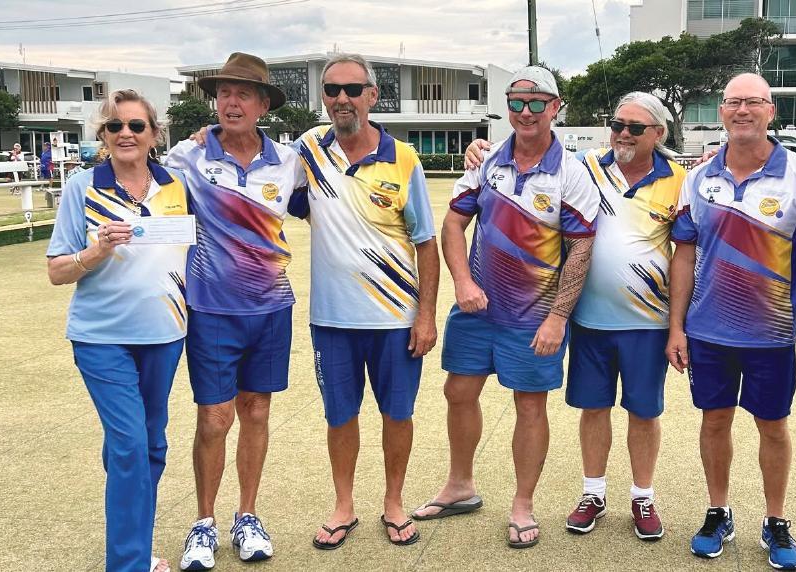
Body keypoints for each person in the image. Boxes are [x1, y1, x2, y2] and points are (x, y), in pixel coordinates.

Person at [461, 91, 686, 540]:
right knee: (594, 408)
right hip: (588, 318)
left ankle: (643, 496)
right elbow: (534, 148)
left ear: (659, 133)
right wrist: (480, 148)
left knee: (644, 412)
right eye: (617, 124)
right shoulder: (586, 166)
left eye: (635, 128)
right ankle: (593, 493)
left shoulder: (681, 180)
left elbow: (685, 253)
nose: (622, 134)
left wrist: (678, 326)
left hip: (648, 322)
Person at [412, 66, 599, 549]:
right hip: (477, 311)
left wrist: (557, 317)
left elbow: (581, 248)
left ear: (555, 107)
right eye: (516, 101)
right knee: (458, 391)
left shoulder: (571, 172)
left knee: (530, 405)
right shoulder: (488, 158)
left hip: (534, 316)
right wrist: (462, 281)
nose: (525, 111)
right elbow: (454, 224)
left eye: (537, 102)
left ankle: (522, 504)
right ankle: (460, 485)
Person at [286, 53, 440, 550]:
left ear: (373, 96)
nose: (342, 99)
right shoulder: (308, 149)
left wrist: (426, 315)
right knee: (340, 416)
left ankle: (394, 503)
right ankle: (343, 506)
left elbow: (426, 243)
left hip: (395, 318)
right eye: (332, 90)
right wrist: (205, 138)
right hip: (332, 319)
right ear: (323, 97)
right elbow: (270, 180)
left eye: (353, 89)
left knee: (397, 414)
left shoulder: (404, 158)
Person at [665, 73, 796, 570]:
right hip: (708, 331)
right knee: (715, 420)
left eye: (753, 102)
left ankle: (776, 519)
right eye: (733, 102)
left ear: (771, 110)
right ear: (722, 112)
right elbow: (684, 255)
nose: (742, 110)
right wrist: (677, 327)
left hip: (772, 333)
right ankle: (718, 512)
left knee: (773, 425)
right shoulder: (698, 178)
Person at [164, 52, 307, 571]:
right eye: (224, 93)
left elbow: (327, 196)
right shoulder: (187, 156)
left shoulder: (289, 162)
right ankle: (203, 523)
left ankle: (247, 516)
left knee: (257, 411)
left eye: (243, 93)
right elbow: (148, 197)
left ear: (263, 104)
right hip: (211, 310)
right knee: (214, 418)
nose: (231, 102)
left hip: (270, 309)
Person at [46, 89, 191, 572]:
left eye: (136, 125)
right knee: (129, 445)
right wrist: (95, 252)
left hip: (165, 335)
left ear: (154, 134)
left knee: (148, 446)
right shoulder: (81, 186)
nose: (125, 133)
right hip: (101, 338)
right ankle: (128, 563)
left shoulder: (176, 184)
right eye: (114, 126)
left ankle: (135, 546)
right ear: (103, 136)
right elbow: (57, 271)